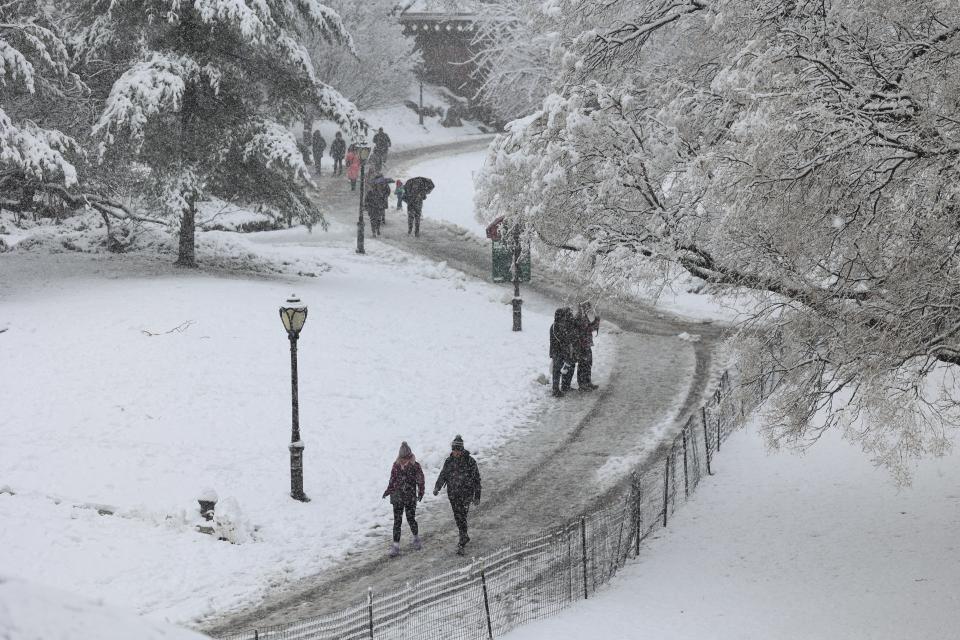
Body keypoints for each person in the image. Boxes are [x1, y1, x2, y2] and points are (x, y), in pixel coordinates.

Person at [433, 435, 481, 554]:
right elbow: (443, 475)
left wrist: (477, 496)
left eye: (458, 450)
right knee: (457, 516)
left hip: (466, 494)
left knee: (462, 516)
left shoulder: (470, 461)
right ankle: (463, 535)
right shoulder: (449, 461)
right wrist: (437, 487)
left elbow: (476, 479)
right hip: (453, 494)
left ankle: (462, 538)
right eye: (454, 450)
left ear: (462, 449)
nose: (456, 452)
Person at [382, 441, 425, 557]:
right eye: (401, 458)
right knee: (397, 522)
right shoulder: (395, 465)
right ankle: (395, 546)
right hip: (397, 497)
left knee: (411, 518)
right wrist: (388, 491)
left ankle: (416, 539)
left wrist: (421, 492)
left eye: (404, 458)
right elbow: (392, 480)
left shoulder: (415, 466)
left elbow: (420, 480)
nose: (402, 460)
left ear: (409, 457)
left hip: (410, 497)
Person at [573, 301, 601, 391]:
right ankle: (582, 384)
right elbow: (587, 328)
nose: (589, 310)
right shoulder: (579, 318)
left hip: (586, 344)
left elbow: (589, 328)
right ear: (583, 308)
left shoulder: (583, 317)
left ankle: (587, 382)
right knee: (583, 365)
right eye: (587, 308)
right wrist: (596, 322)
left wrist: (596, 320)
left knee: (588, 364)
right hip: (581, 345)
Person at [549, 307, 576, 397]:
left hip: (561, 351)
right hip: (557, 351)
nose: (565, 318)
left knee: (567, 367)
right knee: (557, 370)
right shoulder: (555, 326)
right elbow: (561, 339)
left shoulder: (562, 325)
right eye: (563, 316)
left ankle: (565, 386)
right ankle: (555, 390)